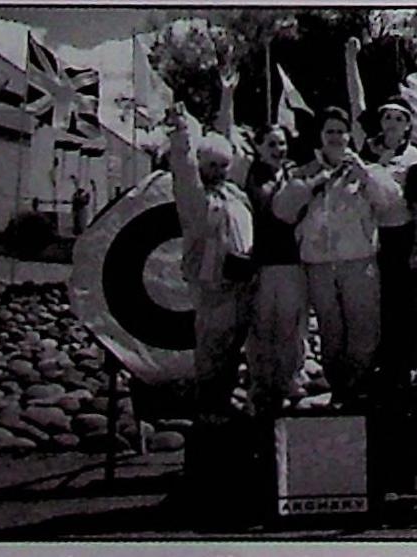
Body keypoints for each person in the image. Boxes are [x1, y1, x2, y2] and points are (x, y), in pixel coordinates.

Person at [164, 101, 258, 523]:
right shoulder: (193, 197)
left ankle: (226, 451)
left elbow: (230, 137)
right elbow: (182, 167)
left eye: (222, 164)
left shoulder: (234, 192)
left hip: (241, 286)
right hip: (212, 287)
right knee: (211, 363)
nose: (217, 170)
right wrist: (182, 132)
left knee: (231, 363)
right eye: (211, 164)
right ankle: (206, 451)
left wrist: (226, 98)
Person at [273, 106, 400, 408]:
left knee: (364, 326)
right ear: (320, 136)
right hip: (318, 262)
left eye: (341, 132)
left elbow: (390, 202)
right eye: (329, 131)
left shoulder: (367, 169)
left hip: (359, 259)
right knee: (330, 329)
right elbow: (283, 211)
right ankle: (339, 388)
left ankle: (358, 385)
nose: (335, 137)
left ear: (349, 136)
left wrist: (365, 175)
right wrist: (313, 182)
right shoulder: (303, 172)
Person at [213, 64, 308, 418]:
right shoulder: (247, 172)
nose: (278, 149)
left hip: (293, 265)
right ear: (258, 146)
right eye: (271, 144)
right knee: (260, 330)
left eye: (282, 143)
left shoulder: (295, 173)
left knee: (292, 330)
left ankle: (288, 387)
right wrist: (227, 96)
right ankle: (260, 390)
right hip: (260, 266)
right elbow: (224, 136)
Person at [346, 37, 417, 392]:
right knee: (373, 303)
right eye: (388, 117)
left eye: (399, 119)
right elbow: (356, 103)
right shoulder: (367, 149)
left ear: (408, 125)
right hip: (366, 237)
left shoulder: (416, 161)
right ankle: (375, 362)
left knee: (403, 304)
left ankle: (403, 365)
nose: (392, 123)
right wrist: (350, 60)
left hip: (399, 237)